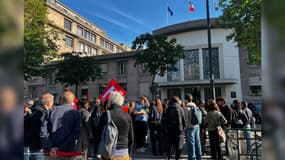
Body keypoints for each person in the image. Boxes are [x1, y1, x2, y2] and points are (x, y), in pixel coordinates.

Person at [40, 91, 80, 156]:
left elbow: (43, 131)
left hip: (51, 151)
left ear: (61, 100)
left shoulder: (51, 111)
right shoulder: (76, 113)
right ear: (72, 101)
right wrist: (61, 148)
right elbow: (75, 134)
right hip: (67, 151)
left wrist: (50, 146)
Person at [97, 91, 134, 160]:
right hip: (124, 153)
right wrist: (130, 154)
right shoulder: (127, 116)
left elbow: (99, 135)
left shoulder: (105, 115)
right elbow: (131, 138)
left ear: (110, 101)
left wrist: (98, 151)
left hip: (108, 153)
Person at [29, 93, 54, 159]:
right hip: (40, 148)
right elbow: (42, 132)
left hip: (33, 146)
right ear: (48, 104)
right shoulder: (43, 114)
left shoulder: (34, 111)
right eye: (52, 103)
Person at [184, 94, 202, 160]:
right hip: (197, 126)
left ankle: (191, 158)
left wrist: (184, 128)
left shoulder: (186, 108)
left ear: (186, 100)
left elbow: (186, 120)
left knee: (191, 145)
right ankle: (199, 157)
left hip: (189, 128)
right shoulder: (196, 106)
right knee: (198, 143)